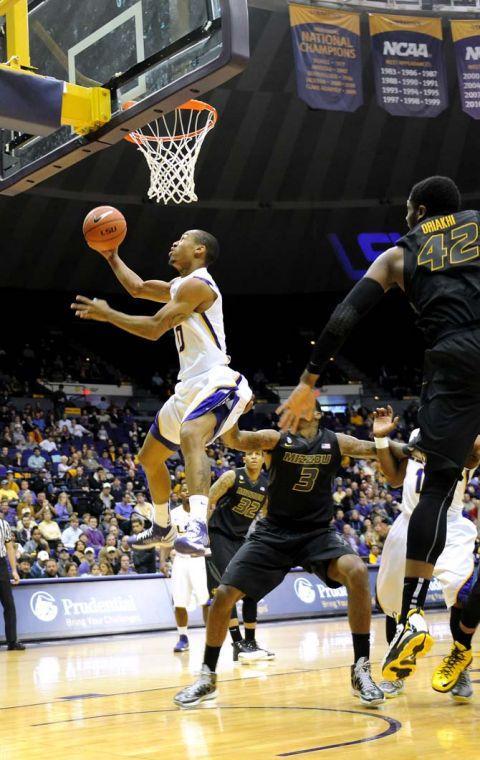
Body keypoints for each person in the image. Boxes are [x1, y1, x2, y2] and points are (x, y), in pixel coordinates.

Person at [278, 176, 480, 681]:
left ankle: (412, 612)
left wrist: (308, 381)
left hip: (455, 357)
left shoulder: (397, 255)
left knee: (437, 482)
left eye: (408, 211)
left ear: (419, 210)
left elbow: (347, 315)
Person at [173, 402, 406, 708]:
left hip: (317, 533)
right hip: (274, 532)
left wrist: (391, 440)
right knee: (225, 594)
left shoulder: (336, 441)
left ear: (318, 414)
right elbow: (235, 440)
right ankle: (207, 675)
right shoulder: (276, 438)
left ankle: (361, 668)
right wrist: (234, 410)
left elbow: (376, 450)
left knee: (358, 571)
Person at [72, 229, 253, 555]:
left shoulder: (199, 285)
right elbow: (138, 287)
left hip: (217, 379)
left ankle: (198, 529)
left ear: (199, 250)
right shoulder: (179, 286)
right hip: (188, 387)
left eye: (181, 238)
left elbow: (155, 328)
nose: (173, 243)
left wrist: (109, 314)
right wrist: (112, 256)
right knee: (149, 458)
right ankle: (162, 526)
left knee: (191, 434)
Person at [374, 406, 480, 700]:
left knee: (463, 594)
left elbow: (473, 454)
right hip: (408, 521)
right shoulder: (416, 435)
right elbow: (395, 479)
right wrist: (382, 441)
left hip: (450, 523)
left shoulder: (469, 437)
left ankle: (460, 667)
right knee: (393, 602)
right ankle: (397, 673)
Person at [207, 451, 273, 662]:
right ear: (243, 458)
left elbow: (268, 516)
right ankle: (237, 644)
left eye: (258, 454)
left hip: (241, 538)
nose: (254, 457)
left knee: (252, 588)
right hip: (218, 535)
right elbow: (209, 500)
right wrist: (201, 532)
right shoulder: (231, 477)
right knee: (229, 589)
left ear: (263, 459)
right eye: (249, 454)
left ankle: (251, 642)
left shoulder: (267, 485)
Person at [168, 483, 210, 653]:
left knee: (205, 600)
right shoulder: (173, 514)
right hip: (180, 560)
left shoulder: (202, 512)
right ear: (179, 495)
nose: (187, 492)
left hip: (199, 560)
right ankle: (183, 637)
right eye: (184, 490)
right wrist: (163, 561)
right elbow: (167, 539)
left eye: (190, 489)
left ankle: (210, 637)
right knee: (179, 602)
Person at [0, 516, 24, 650]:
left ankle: (12, 641)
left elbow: (9, 548)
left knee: (9, 605)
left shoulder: (4, 524)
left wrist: (14, 570)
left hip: (1, 565)